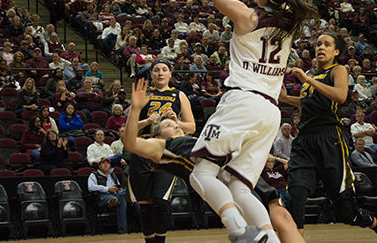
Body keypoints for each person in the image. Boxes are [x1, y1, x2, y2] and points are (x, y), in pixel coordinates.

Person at [189, 0, 318, 243]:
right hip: (271, 113)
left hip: (243, 102)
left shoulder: (248, 16)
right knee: (239, 186)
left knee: (201, 174)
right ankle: (268, 239)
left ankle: (237, 229)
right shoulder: (288, 23)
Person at [125, 79, 304, 243]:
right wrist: (135, 110)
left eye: (176, 123)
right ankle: (241, 228)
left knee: (283, 219)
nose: (176, 125)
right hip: (224, 183)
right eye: (168, 125)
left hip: (241, 170)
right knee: (261, 227)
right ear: (156, 135)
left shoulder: (200, 138)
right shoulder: (163, 146)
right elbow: (131, 143)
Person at [279, 32, 377, 242]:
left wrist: (307, 79)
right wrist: (285, 98)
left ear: (336, 51)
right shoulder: (311, 74)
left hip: (330, 139)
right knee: (296, 194)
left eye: (326, 44)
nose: (320, 47)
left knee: (347, 212)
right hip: (305, 140)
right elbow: (307, 101)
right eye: (318, 44)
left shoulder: (338, 70)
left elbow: (340, 96)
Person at [128, 59, 195, 243]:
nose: (160, 73)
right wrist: (147, 121)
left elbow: (192, 127)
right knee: (145, 205)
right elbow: (127, 128)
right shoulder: (144, 94)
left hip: (166, 151)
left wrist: (177, 122)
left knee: (161, 201)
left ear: (170, 74)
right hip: (143, 149)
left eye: (164, 70)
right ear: (151, 74)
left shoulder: (179, 95)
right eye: (156, 70)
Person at [87, 157, 127, 234]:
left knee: (125, 191)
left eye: (107, 163)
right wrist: (107, 189)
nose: (106, 165)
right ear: (99, 166)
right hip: (102, 196)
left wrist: (119, 189)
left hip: (116, 194)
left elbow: (118, 185)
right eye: (103, 163)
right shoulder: (94, 175)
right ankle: (123, 230)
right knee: (121, 200)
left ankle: (114, 200)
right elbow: (91, 187)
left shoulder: (113, 174)